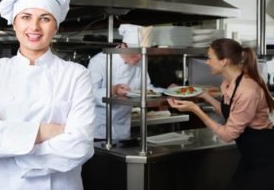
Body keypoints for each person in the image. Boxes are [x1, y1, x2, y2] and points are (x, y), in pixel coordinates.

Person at [0, 0, 95, 190]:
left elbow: (81, 146)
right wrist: (49, 131)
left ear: (56, 26)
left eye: (45, 18)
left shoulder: (76, 75)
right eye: (25, 17)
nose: (34, 27)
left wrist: (6, 137)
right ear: (14, 23)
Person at [167, 38, 274, 190]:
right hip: (251, 156)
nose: (207, 62)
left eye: (210, 58)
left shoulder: (247, 91)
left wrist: (195, 110)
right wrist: (205, 96)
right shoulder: (228, 82)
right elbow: (229, 113)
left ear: (223, 61)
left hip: (265, 158)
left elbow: (228, 135)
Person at [88, 24, 161, 140]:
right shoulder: (99, 61)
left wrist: (167, 92)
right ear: (123, 45)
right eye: (135, 52)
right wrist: (113, 90)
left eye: (142, 53)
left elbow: (147, 88)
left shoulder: (140, 61)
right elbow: (88, 95)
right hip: (98, 130)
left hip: (123, 130)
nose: (138, 57)